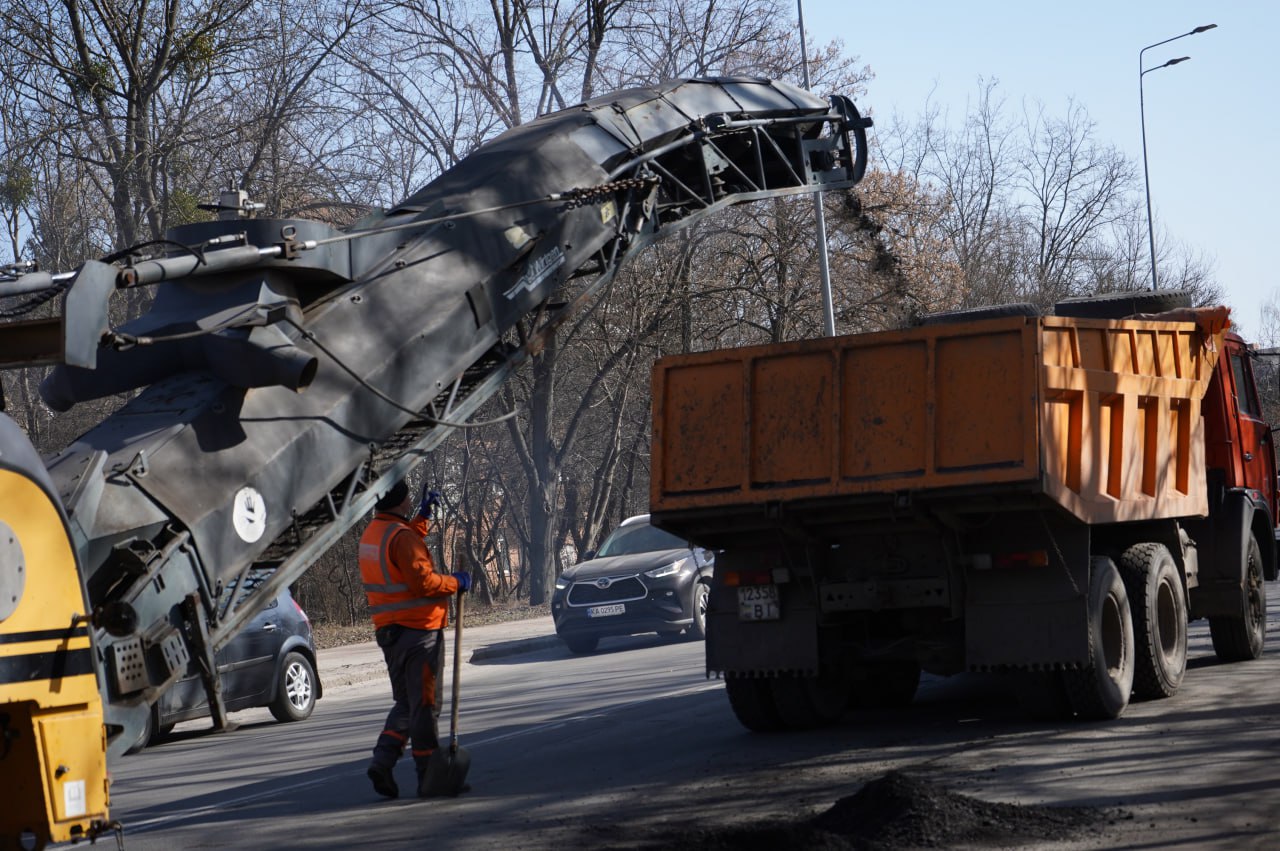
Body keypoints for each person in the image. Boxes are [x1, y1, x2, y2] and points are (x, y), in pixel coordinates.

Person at [360, 479, 471, 799]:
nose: (413, 500)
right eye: (410, 497)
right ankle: (429, 777)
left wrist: (420, 519)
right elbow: (423, 582)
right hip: (419, 634)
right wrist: (456, 582)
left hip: (390, 634)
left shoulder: (375, 534)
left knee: (406, 703)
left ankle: (382, 761)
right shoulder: (402, 537)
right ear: (400, 502)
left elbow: (399, 556)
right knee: (424, 706)